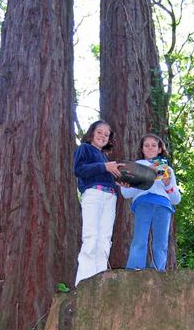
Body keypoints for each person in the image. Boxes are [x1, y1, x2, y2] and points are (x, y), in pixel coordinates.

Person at [121, 133, 181, 271]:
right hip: (143, 204)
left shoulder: (167, 169)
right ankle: (134, 270)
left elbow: (176, 199)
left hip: (164, 206)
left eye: (154, 145)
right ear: (141, 149)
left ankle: (158, 272)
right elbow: (126, 194)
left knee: (161, 243)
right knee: (140, 239)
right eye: (146, 145)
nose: (150, 148)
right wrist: (131, 183)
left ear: (160, 149)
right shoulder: (136, 166)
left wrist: (167, 184)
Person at [73, 120, 122, 286]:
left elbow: (105, 173)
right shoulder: (84, 149)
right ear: (92, 133)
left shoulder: (104, 157)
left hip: (110, 196)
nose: (103, 136)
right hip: (93, 194)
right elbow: (79, 170)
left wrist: (119, 182)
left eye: (106, 134)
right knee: (91, 236)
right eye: (99, 132)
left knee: (105, 238)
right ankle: (84, 283)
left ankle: (100, 280)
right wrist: (104, 167)